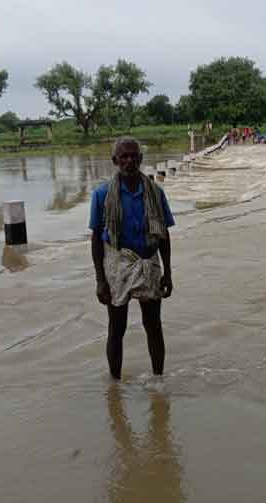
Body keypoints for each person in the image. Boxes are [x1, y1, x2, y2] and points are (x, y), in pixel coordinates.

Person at [90, 136, 175, 379]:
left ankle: (159, 382)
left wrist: (168, 273)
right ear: (115, 160)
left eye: (133, 156)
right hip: (118, 265)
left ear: (141, 159)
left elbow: (164, 236)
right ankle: (115, 386)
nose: (129, 160)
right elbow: (97, 239)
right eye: (123, 156)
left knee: (154, 326)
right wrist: (100, 280)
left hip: (149, 261)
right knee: (117, 329)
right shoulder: (102, 195)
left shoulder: (155, 193)